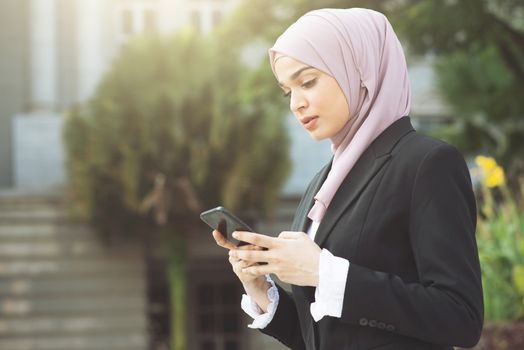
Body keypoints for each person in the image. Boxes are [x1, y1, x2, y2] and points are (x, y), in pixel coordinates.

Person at [212, 7, 483, 350]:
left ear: (359, 71)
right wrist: (262, 291)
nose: (296, 103)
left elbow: (461, 317)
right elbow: (323, 336)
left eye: (307, 81)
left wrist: (324, 273)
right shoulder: (321, 185)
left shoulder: (427, 163)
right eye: (287, 91)